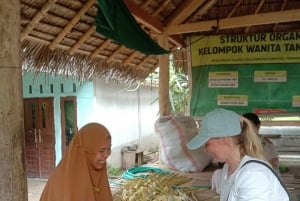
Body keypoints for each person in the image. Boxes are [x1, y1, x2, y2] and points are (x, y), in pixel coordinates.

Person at [187, 108, 290, 201]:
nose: (205, 150)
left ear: (224, 140)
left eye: (207, 144)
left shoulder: (253, 175)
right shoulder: (229, 168)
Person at [40, 123, 113, 201]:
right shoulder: (60, 183)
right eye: (101, 151)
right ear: (85, 151)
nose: (107, 154)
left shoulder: (99, 176)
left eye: (109, 149)